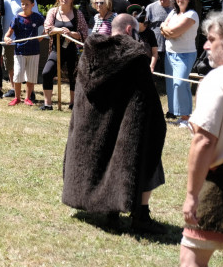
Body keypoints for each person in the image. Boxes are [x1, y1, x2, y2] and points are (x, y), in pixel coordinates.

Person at [62, 13, 167, 235]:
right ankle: (141, 215)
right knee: (147, 152)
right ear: (130, 30)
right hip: (124, 126)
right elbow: (146, 98)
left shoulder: (89, 52)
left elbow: (83, 95)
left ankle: (111, 214)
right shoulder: (136, 56)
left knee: (108, 154)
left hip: (95, 126)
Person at [178, 10, 223, 267]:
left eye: (212, 40)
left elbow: (203, 141)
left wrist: (192, 194)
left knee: (193, 257)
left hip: (222, 182)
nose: (206, 46)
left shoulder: (218, 79)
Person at [40, 0, 89, 110]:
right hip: (57, 50)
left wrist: (71, 34)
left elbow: (84, 34)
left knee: (74, 76)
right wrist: (59, 30)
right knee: (47, 72)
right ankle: (48, 104)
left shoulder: (78, 14)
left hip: (73, 50)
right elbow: (48, 28)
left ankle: (73, 104)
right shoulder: (53, 12)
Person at [161, 0, 199, 127]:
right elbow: (164, 28)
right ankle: (178, 115)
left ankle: (186, 117)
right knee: (171, 85)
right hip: (170, 54)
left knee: (180, 84)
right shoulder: (172, 13)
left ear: (189, 0)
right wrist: (166, 30)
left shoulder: (191, 15)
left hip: (185, 55)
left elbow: (174, 32)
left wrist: (166, 31)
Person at [4, 0, 45, 106]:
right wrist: (7, 38)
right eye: (22, 4)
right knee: (18, 74)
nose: (24, 6)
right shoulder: (17, 18)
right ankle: (17, 98)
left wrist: (42, 36)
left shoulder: (37, 17)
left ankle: (27, 98)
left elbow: (48, 25)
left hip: (34, 51)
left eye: (27, 4)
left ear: (32, 5)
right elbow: (8, 34)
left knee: (31, 76)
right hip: (19, 51)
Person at [1, 0, 39, 98]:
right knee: (11, 65)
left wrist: (37, 38)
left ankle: (30, 93)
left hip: (26, 39)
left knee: (28, 67)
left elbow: (36, 18)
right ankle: (13, 89)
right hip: (8, 37)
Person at [146, 0, 174, 92]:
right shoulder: (150, 8)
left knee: (169, 74)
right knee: (153, 74)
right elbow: (145, 27)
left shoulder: (175, 9)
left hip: (171, 47)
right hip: (154, 48)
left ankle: (168, 91)